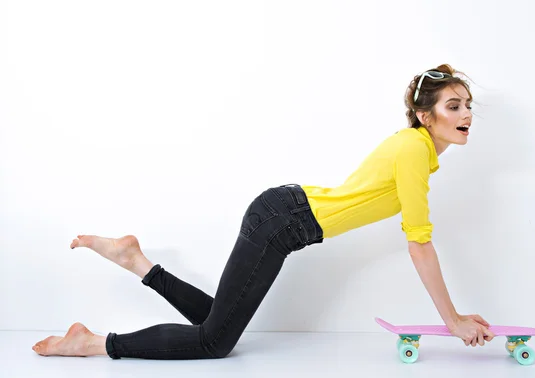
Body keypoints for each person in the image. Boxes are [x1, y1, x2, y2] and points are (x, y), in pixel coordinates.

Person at [32, 63, 495, 359]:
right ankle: (93, 343)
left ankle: (137, 262)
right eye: (453, 105)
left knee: (218, 321)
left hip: (284, 218)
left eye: (468, 105)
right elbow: (419, 244)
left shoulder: (417, 152)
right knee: (216, 341)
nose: (465, 113)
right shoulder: (414, 150)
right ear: (424, 114)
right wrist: (451, 321)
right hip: (282, 221)